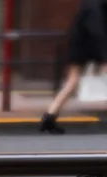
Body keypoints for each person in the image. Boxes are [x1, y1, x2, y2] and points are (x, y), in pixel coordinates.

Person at [42, 0, 107, 134]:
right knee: (72, 82)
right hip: (90, 46)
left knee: (72, 82)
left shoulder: (90, 4)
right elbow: (97, 31)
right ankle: (49, 117)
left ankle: (49, 117)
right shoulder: (96, 6)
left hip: (80, 46)